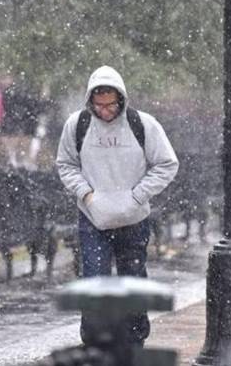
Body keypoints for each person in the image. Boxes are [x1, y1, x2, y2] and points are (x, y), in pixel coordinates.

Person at [56, 65, 179, 346]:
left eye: (110, 105)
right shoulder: (78, 125)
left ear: (121, 99)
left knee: (133, 279)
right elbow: (65, 164)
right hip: (93, 218)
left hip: (134, 219)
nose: (105, 111)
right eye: (98, 105)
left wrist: (137, 196)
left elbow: (167, 164)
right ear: (90, 101)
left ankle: (135, 342)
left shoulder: (143, 125)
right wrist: (86, 194)